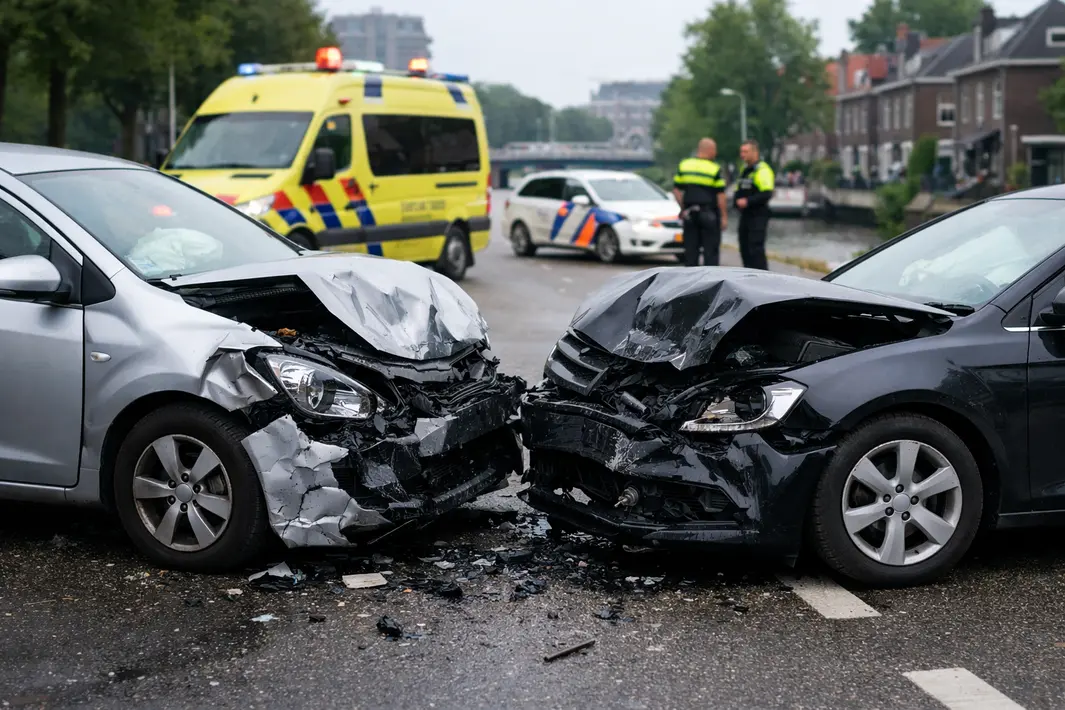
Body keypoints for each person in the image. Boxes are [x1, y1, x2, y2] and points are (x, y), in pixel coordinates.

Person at [672, 138, 727, 267]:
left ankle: (692, 283)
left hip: (690, 215)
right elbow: (720, 195)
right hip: (709, 215)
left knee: (691, 252)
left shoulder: (684, 165)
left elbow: (676, 190)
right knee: (711, 252)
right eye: (715, 150)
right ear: (710, 150)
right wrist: (724, 217)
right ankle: (711, 283)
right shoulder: (714, 168)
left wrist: (683, 207)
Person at [734, 139, 775, 270]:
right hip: (745, 215)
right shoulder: (745, 170)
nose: (742, 155)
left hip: (758, 215)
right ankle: (748, 274)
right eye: (741, 152)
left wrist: (747, 201)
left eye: (745, 151)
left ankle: (762, 277)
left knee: (755, 248)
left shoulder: (763, 170)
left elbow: (766, 193)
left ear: (754, 152)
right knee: (744, 247)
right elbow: (739, 189)